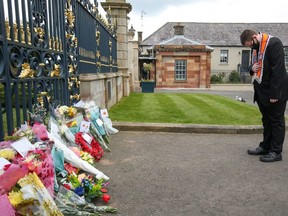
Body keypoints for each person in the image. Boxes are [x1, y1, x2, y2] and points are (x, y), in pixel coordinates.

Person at [240, 29, 288, 162]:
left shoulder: (274, 43)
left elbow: (278, 70)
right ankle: (266, 147)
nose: (250, 47)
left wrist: (275, 94)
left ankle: (276, 152)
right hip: (261, 91)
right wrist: (251, 68)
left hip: (275, 91)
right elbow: (255, 65)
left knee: (276, 121)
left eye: (249, 44)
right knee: (266, 120)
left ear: (255, 37)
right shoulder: (256, 47)